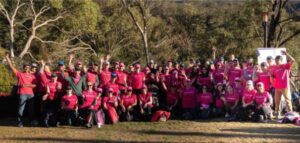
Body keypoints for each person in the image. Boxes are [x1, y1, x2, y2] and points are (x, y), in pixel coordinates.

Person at [5, 55, 37, 127]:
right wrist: (7, 59)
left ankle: (32, 121)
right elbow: (12, 67)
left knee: (31, 109)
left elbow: (35, 85)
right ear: (23, 67)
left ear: (29, 68)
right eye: (25, 67)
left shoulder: (33, 76)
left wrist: (27, 85)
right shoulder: (20, 74)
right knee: (21, 109)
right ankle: (20, 122)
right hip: (22, 94)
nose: (26, 68)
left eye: (28, 67)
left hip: (30, 94)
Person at [272, 50, 295, 119]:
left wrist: (286, 54)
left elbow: (293, 60)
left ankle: (290, 114)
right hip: (277, 87)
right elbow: (274, 76)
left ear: (281, 60)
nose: (276, 61)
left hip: (285, 86)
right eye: (276, 60)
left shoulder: (285, 66)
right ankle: (277, 114)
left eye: (278, 60)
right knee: (277, 101)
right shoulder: (275, 68)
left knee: (287, 100)